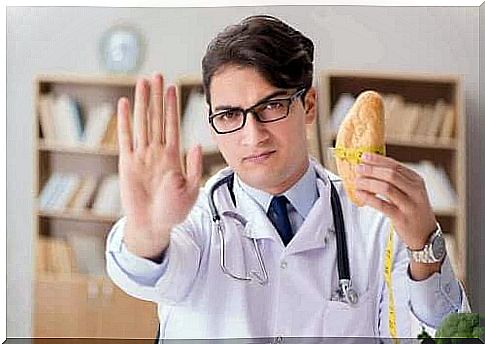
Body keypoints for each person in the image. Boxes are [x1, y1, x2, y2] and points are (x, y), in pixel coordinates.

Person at [106, 15, 469, 340]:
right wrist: (148, 232)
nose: (253, 135)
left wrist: (425, 247)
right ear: (212, 123)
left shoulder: (376, 223)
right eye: (230, 115)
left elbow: (439, 336)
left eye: (271, 106)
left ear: (308, 105)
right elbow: (143, 272)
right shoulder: (193, 220)